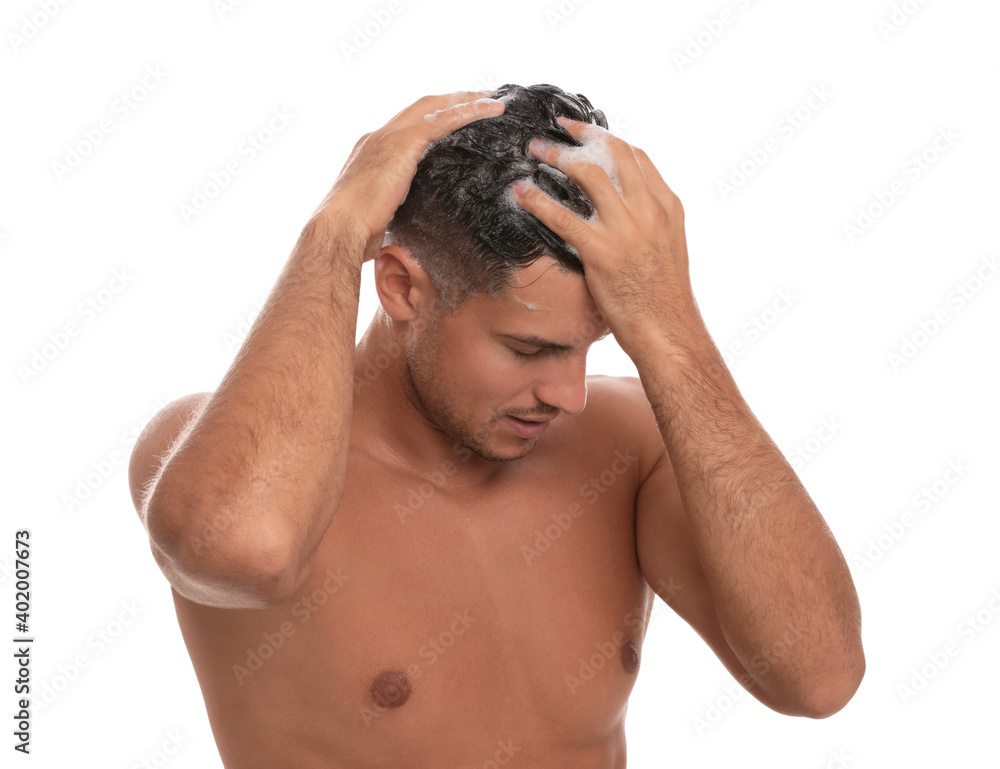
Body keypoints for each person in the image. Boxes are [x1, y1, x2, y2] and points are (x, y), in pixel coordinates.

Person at [128, 84, 864, 768]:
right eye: (530, 348)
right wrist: (335, 230)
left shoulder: (626, 443)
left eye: (591, 344)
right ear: (399, 286)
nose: (569, 393)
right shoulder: (212, 453)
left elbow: (819, 675)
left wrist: (671, 329)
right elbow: (246, 551)